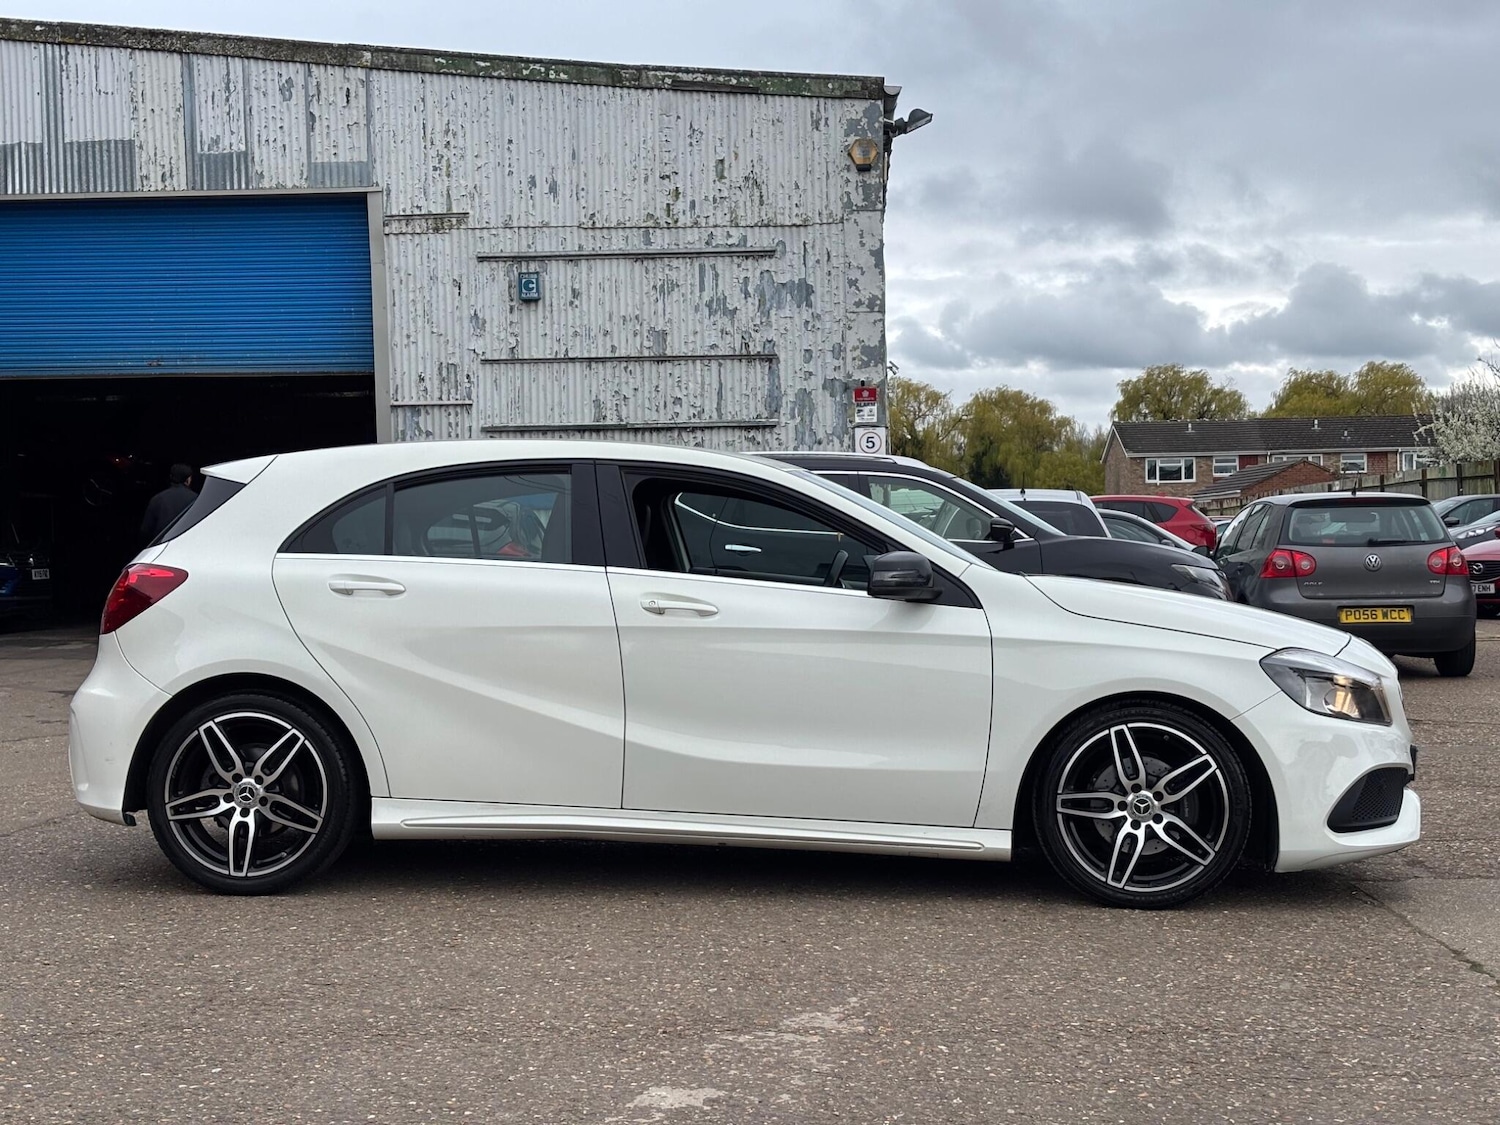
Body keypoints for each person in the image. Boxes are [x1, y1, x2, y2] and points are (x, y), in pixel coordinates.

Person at [139, 463, 197, 546]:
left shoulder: (157, 499)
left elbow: (145, 531)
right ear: (188, 480)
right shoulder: (196, 499)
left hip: (160, 547)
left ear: (171, 477)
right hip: (185, 546)